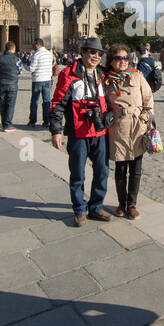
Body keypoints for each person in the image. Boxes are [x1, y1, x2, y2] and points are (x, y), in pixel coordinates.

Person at [50, 38, 113, 226]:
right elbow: (57, 104)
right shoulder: (69, 74)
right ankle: (79, 209)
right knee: (78, 173)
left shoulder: (102, 75)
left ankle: (96, 206)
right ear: (83, 52)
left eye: (99, 54)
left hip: (99, 131)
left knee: (102, 171)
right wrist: (56, 130)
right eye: (92, 52)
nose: (95, 56)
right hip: (78, 132)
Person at [103, 43, 154, 220]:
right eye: (118, 58)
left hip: (137, 127)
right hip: (118, 128)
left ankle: (132, 203)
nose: (123, 61)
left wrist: (145, 118)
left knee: (136, 168)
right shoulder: (106, 79)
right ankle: (121, 202)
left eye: (125, 58)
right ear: (111, 60)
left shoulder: (137, 75)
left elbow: (148, 98)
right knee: (120, 168)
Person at [28, 37, 55, 128]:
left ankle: (32, 121)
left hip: (38, 80)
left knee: (34, 101)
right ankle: (46, 121)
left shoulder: (36, 55)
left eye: (33, 45)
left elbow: (32, 68)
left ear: (37, 45)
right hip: (47, 79)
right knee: (47, 101)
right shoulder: (49, 54)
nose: (33, 47)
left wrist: (24, 66)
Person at [0, 41, 22, 131]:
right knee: (10, 105)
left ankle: (4, 123)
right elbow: (19, 71)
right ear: (13, 49)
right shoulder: (16, 59)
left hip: (2, 84)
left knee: (3, 104)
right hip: (12, 84)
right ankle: (7, 124)